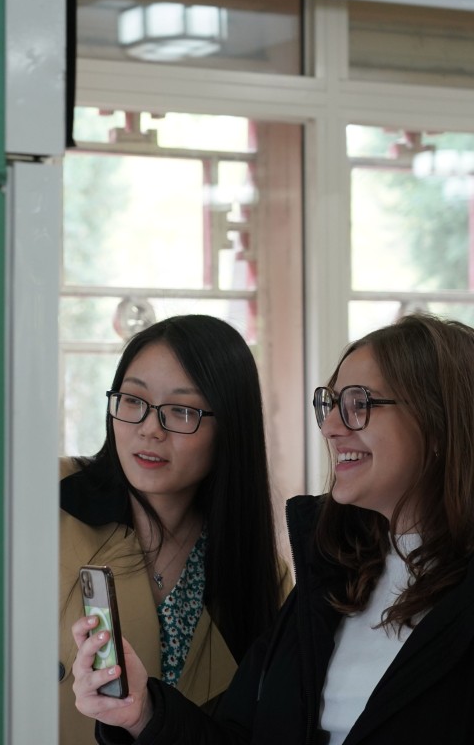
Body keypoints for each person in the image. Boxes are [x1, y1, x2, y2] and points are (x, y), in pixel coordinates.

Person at [71, 312, 474, 745]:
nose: (330, 428)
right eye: (331, 404)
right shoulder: (329, 583)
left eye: (360, 404)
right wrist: (145, 712)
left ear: (440, 423)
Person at [59, 314, 290, 745]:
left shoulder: (262, 577)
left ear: (231, 427)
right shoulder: (43, 498)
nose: (149, 429)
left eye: (182, 411)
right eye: (132, 400)